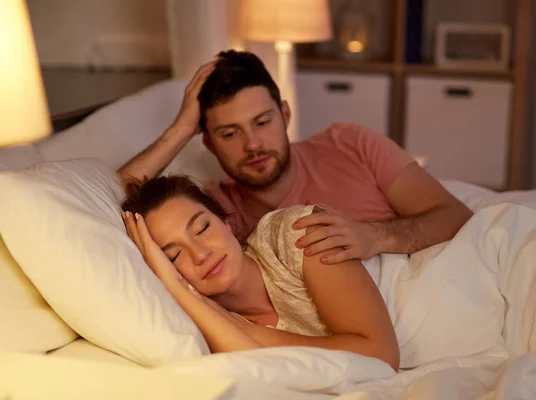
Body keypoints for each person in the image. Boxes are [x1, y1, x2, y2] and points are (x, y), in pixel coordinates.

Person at [118, 50, 473, 264]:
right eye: (229, 133)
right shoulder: (216, 214)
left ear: (285, 115)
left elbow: (455, 215)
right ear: (208, 143)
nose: (252, 144)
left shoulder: (351, 144)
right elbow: (113, 194)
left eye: (262, 122)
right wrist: (180, 129)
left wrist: (374, 237)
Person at [121, 175, 400, 370]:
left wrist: (254, 334)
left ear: (227, 222)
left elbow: (382, 356)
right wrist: (178, 289)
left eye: (203, 228)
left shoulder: (296, 233)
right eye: (173, 256)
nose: (201, 254)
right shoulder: (201, 322)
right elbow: (266, 382)